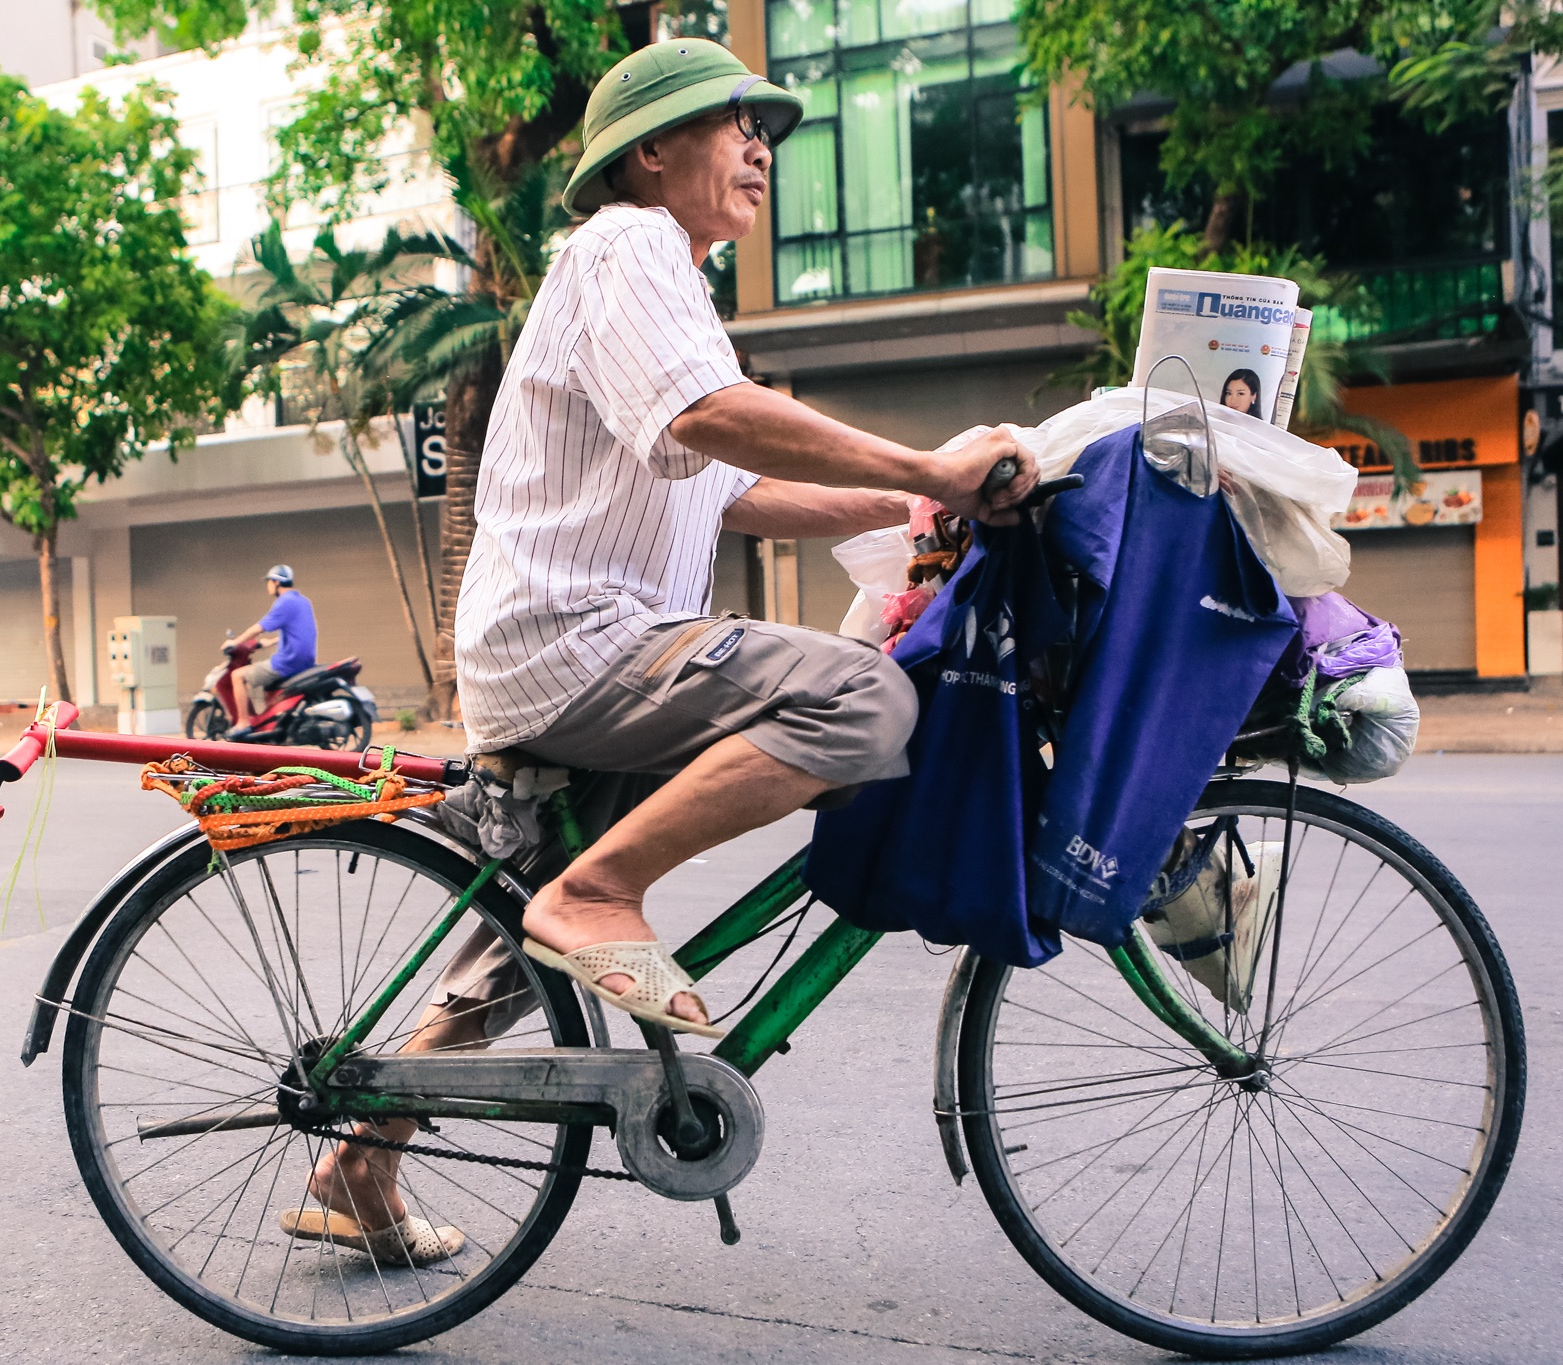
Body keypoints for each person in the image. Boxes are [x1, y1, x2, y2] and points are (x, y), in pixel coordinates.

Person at [284, 38, 1036, 1264]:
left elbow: (727, 483)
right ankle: (599, 894)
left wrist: (914, 504)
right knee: (858, 702)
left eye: (768, 133)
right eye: (735, 124)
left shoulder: (660, 279)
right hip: (584, 646)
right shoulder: (628, 245)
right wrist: (920, 464)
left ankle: (359, 1164)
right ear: (650, 151)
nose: (758, 148)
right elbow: (705, 418)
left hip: (569, 655)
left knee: (514, 947)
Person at [227, 564, 316, 734]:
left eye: (268, 582)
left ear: (276, 582)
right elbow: (299, 631)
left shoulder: (284, 602)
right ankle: (267, 720)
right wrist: (273, 641)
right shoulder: (303, 601)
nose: (268, 586)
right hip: (305, 660)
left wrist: (235, 642)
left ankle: (243, 723)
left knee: (237, 676)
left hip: (288, 662)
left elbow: (259, 628)